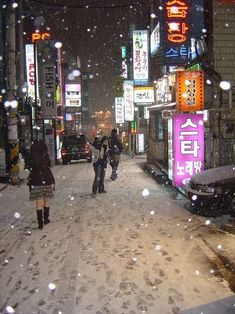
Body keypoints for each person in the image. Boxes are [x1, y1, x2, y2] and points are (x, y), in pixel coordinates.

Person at [27, 139, 55, 230]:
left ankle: (40, 223)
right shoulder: (45, 153)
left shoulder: (31, 155)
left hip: (36, 180)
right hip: (46, 178)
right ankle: (46, 218)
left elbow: (29, 166)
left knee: (39, 201)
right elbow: (49, 164)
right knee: (46, 199)